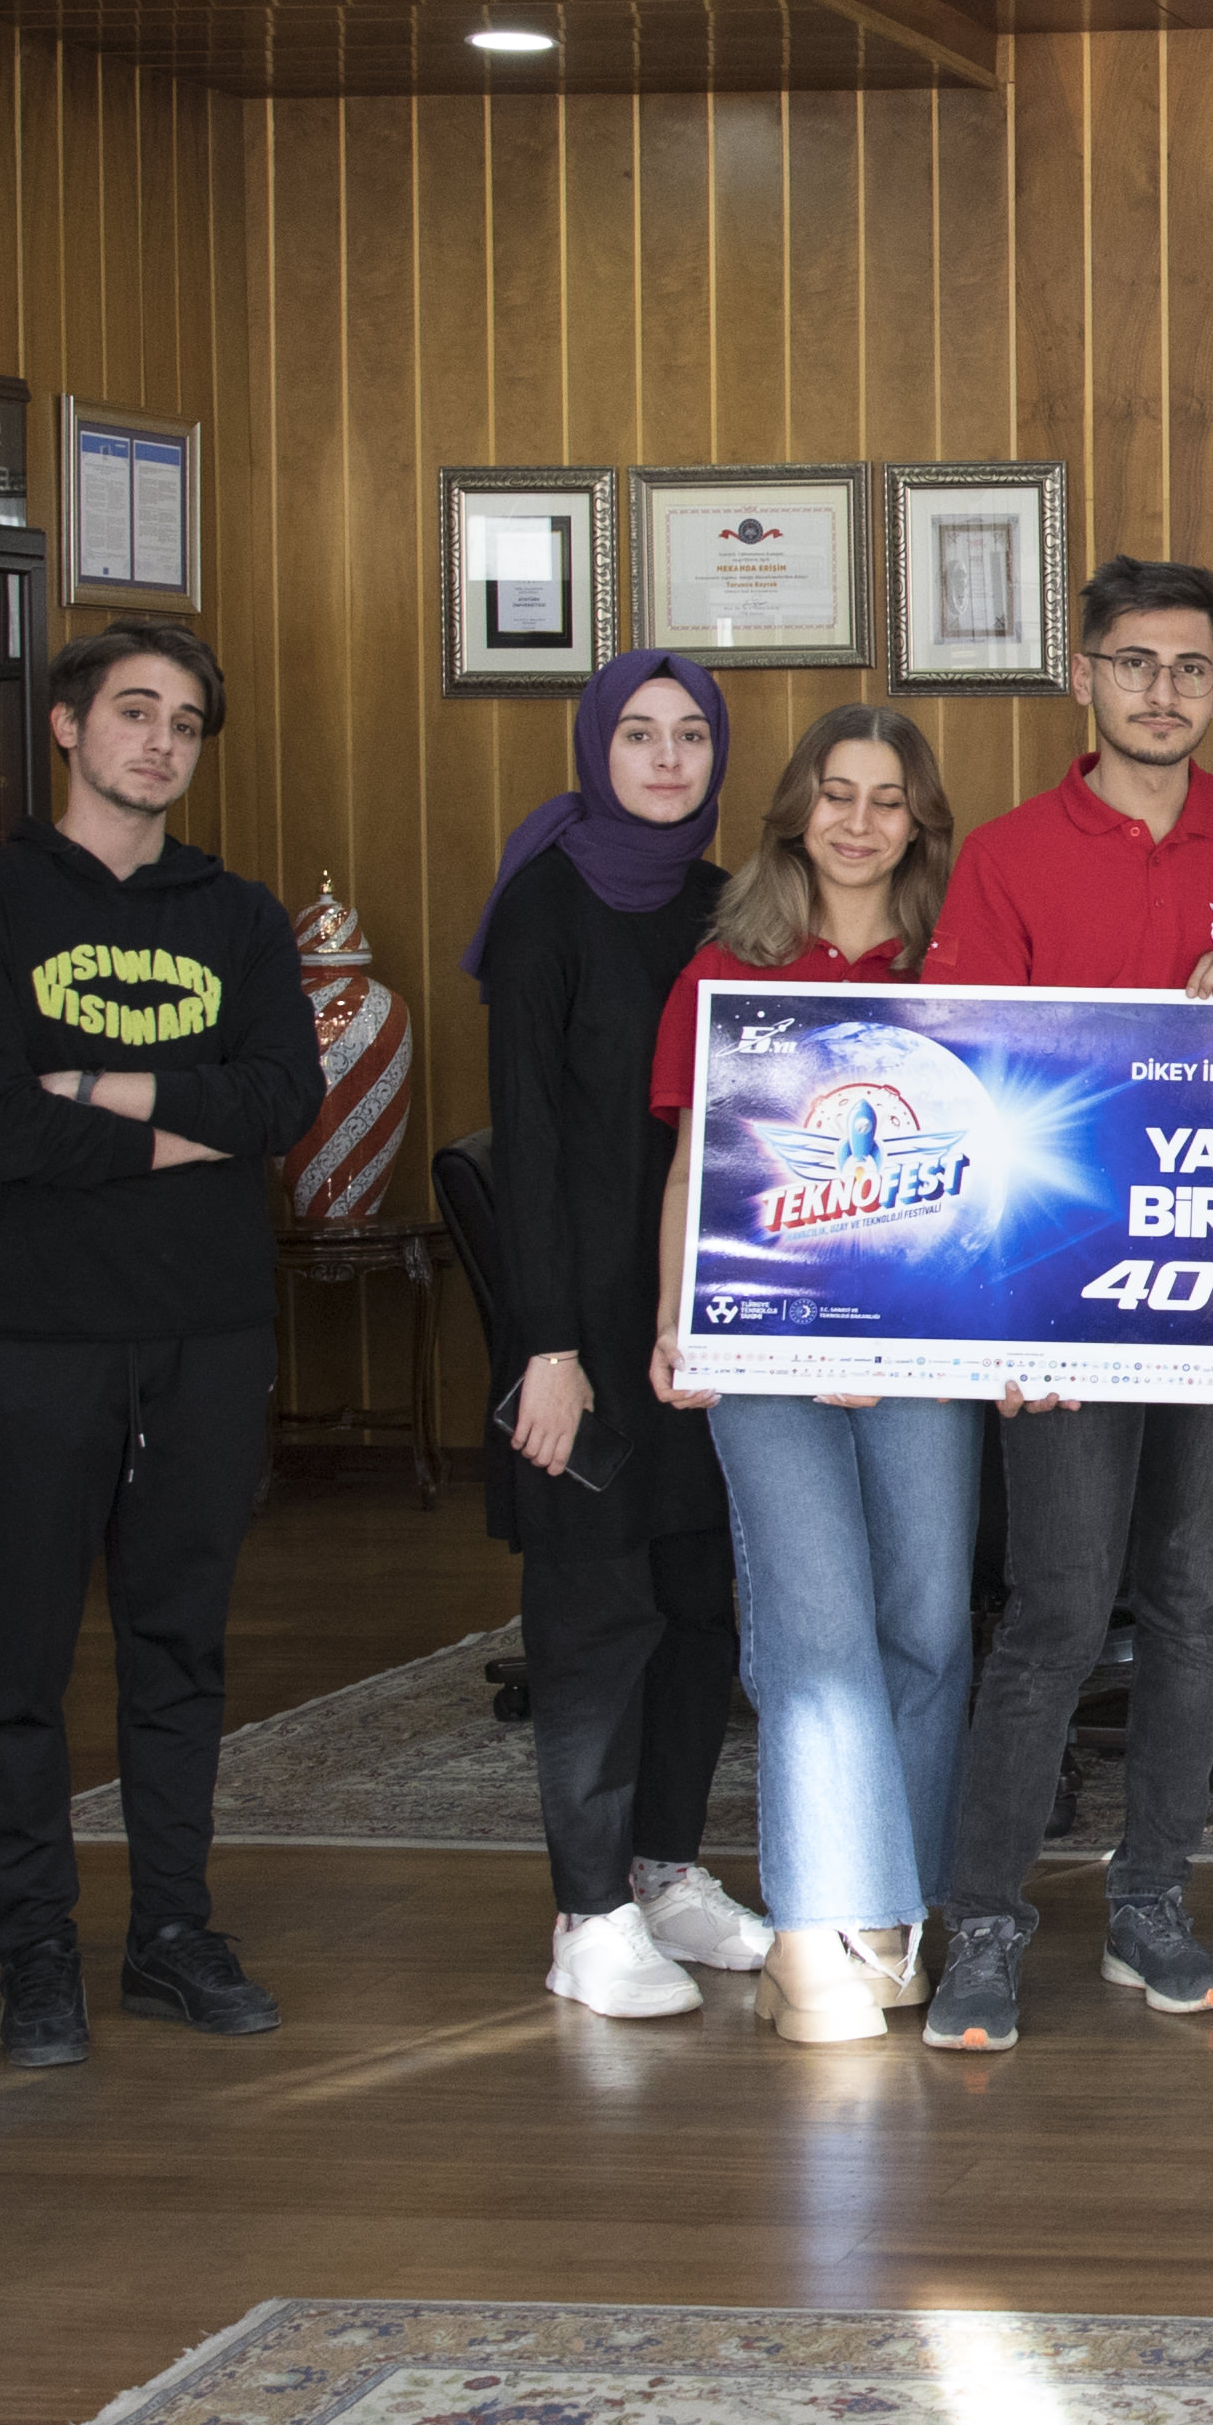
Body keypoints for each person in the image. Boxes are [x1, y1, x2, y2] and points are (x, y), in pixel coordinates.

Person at [0, 618, 319, 2070]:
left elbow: (281, 1103)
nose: (160, 741)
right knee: (18, 1658)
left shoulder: (241, 917)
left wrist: (91, 1087)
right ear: (68, 726)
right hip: (32, 1336)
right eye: (134, 711)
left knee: (179, 1651)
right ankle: (34, 1947)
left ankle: (171, 1933)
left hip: (204, 1334)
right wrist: (183, 1118)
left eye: (186, 723)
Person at [912, 560, 1213, 2051]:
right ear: (1084, 675)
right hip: (1061, 1292)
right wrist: (1000, 1323)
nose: (1162, 692)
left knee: (1195, 1604)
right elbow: (968, 1090)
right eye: (1135, 663)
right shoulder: (1009, 856)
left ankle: (1152, 1903)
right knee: (1059, 1610)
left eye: (1190, 667)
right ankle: (985, 1923)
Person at [653, 702, 985, 2045]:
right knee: (818, 1628)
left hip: (927, 1342)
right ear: (797, 811)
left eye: (887, 798)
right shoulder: (727, 968)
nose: (858, 821)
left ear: (920, 821)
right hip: (769, 1345)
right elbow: (696, 1169)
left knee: (928, 1627)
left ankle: (897, 1914)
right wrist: (674, 1321)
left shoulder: (964, 963)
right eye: (836, 794)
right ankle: (824, 1926)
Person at [477, 650, 776, 2020]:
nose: (666, 759)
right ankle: (587, 1914)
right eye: (640, 734)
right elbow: (529, 1145)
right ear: (597, 746)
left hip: (698, 1319)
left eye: (691, 736)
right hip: (580, 1329)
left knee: (698, 1606)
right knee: (596, 1619)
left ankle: (666, 1872)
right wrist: (546, 1346)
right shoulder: (545, 905)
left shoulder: (728, 908)